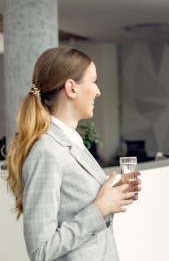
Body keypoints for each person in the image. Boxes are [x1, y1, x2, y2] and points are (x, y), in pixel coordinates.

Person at [5, 46, 142, 261]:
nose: (98, 91)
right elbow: (40, 252)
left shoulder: (71, 140)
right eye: (94, 81)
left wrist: (113, 195)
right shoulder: (46, 152)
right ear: (71, 88)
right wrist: (99, 209)